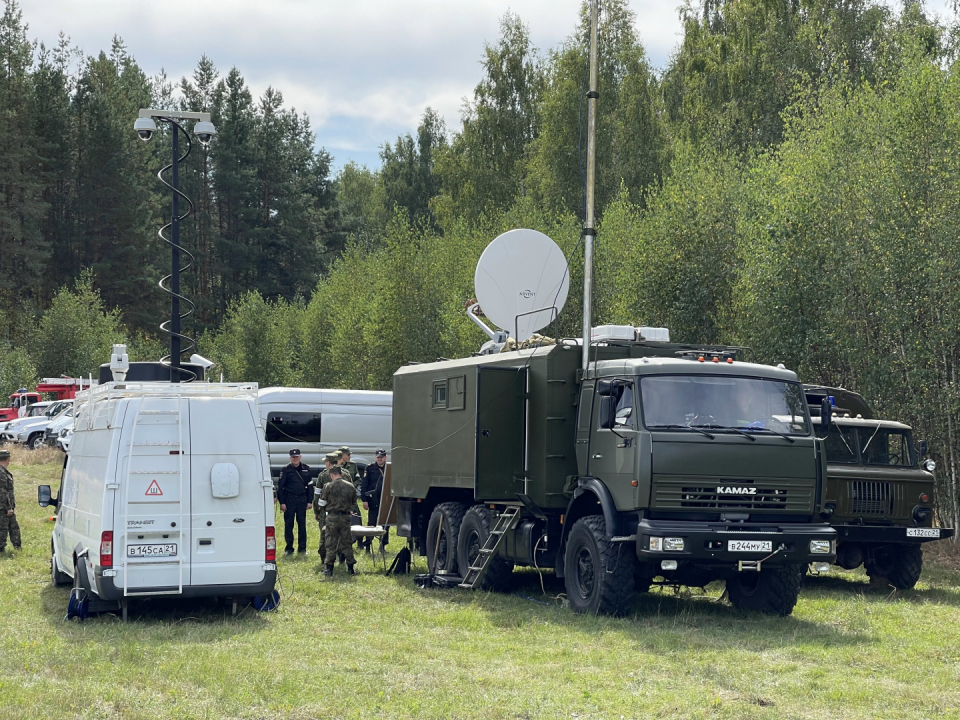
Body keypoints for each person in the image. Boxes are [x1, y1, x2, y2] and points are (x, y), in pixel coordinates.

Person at [319, 465, 357, 575]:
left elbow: (322, 503)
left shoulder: (328, 486)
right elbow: (354, 502)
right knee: (346, 542)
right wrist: (350, 510)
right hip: (345, 517)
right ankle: (350, 568)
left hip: (332, 517)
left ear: (331, 475)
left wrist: (324, 510)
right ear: (341, 474)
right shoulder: (350, 486)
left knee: (331, 543)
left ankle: (329, 569)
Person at [276, 449, 312, 555]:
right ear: (290, 458)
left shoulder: (306, 468)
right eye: (293, 457)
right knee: (289, 525)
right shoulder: (285, 469)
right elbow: (280, 487)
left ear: (300, 457)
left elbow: (310, 486)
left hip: (302, 499)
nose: (295, 459)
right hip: (289, 500)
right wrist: (282, 502)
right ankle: (289, 548)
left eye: (297, 457)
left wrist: (309, 501)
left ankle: (302, 548)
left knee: (302, 524)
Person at [359, 449, 388, 552]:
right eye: (378, 457)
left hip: (385, 499)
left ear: (385, 457)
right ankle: (368, 545)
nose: (379, 459)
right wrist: (364, 500)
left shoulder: (389, 468)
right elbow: (364, 485)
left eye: (381, 457)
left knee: (385, 523)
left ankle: (383, 545)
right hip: (373, 499)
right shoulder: (370, 468)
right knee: (371, 523)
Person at [313, 452, 339, 555]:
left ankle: (324, 555)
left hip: (326, 510)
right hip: (341, 510)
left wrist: (317, 511)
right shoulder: (345, 474)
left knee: (324, 532)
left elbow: (317, 494)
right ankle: (340, 554)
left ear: (328, 463)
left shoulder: (323, 475)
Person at [0, 450, 21, 552]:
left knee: (13, 527)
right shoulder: (1, 473)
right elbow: (2, 492)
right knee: (2, 528)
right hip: (3, 507)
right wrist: (8, 508)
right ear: (8, 459)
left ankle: (17, 546)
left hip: (6, 506)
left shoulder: (3, 471)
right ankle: (1, 548)